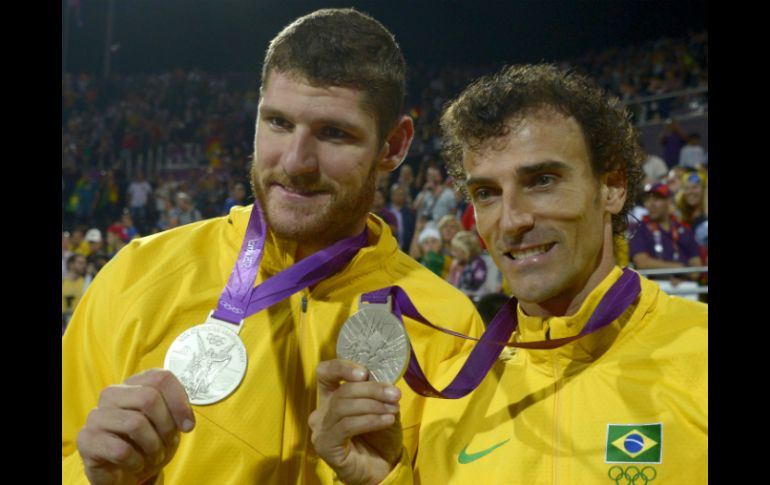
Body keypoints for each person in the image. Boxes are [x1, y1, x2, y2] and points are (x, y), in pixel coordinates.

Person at [62, 8, 483, 485]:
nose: (296, 161)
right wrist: (96, 476)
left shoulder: (448, 325)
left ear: (394, 146)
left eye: (333, 133)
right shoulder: (139, 274)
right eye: (279, 123)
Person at [310, 64, 707, 484]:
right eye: (487, 193)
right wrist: (380, 479)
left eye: (542, 180)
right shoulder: (441, 399)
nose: (511, 220)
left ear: (611, 187)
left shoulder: (697, 352)